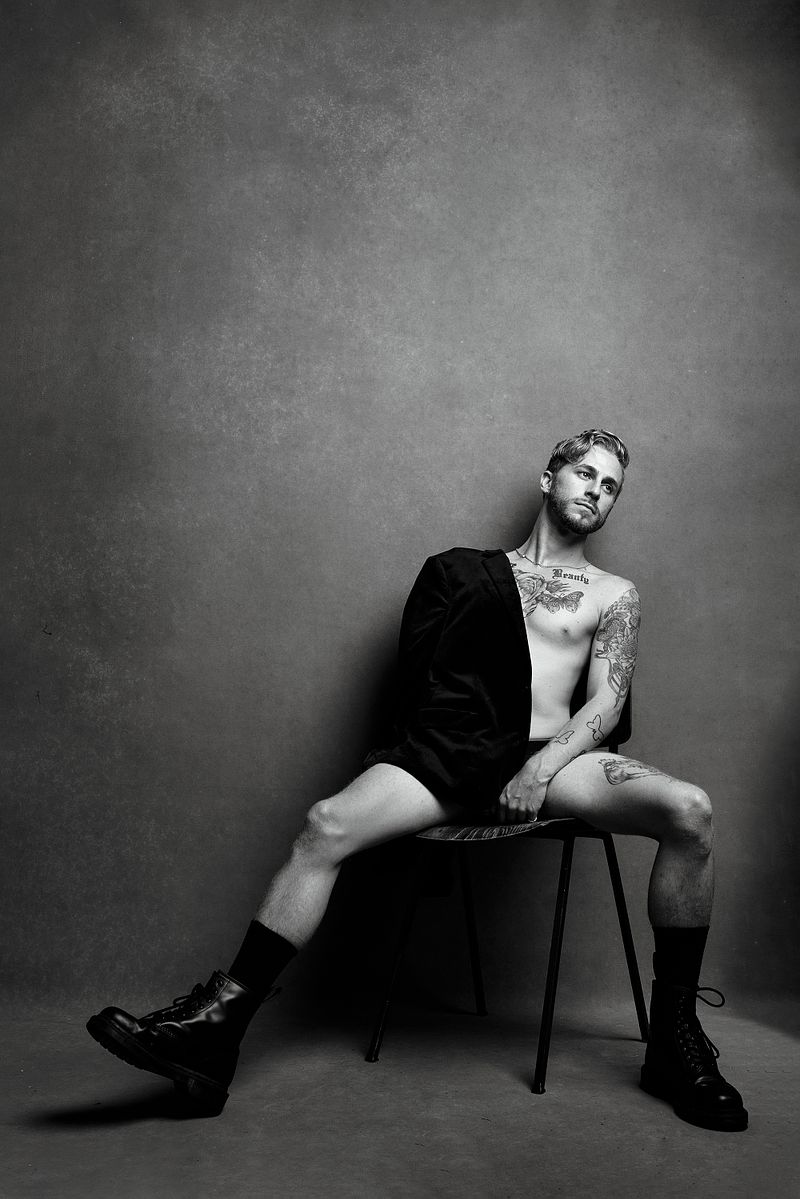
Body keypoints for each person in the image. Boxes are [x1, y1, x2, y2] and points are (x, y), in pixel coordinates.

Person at [87, 429, 747, 1131]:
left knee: (690, 811)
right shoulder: (459, 571)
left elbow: (606, 703)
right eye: (585, 473)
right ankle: (214, 1031)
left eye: (610, 485)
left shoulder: (614, 593)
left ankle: (674, 1041)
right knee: (325, 825)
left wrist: (540, 766)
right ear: (548, 477)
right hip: (453, 753)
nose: (596, 490)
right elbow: (418, 686)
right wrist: (448, 760)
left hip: (553, 760)